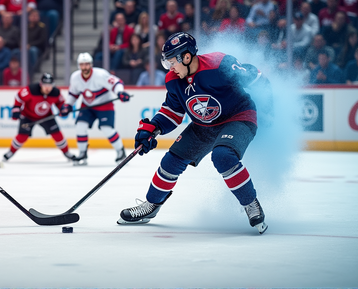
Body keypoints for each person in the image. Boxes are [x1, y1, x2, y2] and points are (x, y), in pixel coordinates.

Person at [118, 32, 271, 235]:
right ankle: (151, 205)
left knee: (223, 156)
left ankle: (251, 204)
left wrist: (270, 109)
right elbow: (172, 112)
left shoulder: (219, 65)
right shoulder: (173, 79)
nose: (170, 67)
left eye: (172, 61)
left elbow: (257, 80)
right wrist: (153, 128)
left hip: (238, 116)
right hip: (204, 125)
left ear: (187, 57)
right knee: (171, 161)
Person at [60, 52, 131, 165]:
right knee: (80, 126)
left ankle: (120, 151)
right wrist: (68, 105)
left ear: (91, 64)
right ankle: (82, 153)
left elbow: (116, 83)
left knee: (106, 129)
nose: (85, 67)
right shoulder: (75, 77)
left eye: (87, 64)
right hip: (87, 106)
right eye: (82, 65)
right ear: (79, 66)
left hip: (104, 105)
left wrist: (120, 92)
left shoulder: (100, 74)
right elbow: (73, 94)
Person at [3, 73, 76, 162]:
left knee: (58, 135)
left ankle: (67, 153)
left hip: (46, 116)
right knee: (22, 136)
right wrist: (16, 109)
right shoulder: (31, 90)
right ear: (41, 84)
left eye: (49, 85)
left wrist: (63, 110)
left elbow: (60, 103)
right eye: (45, 85)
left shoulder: (56, 92)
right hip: (27, 116)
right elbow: (18, 97)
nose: (47, 88)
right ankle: (11, 152)